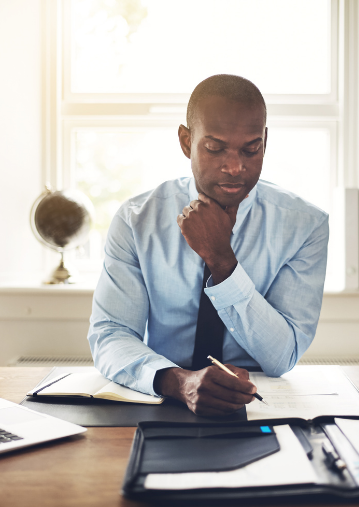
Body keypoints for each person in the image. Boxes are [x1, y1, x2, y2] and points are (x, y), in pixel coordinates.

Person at [88, 74, 329, 416]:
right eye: (215, 148)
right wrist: (180, 382)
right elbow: (110, 335)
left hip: (260, 405)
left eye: (251, 149)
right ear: (186, 142)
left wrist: (221, 259)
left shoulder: (305, 225)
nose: (235, 167)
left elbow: (282, 357)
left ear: (265, 141)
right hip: (162, 396)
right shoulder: (136, 220)